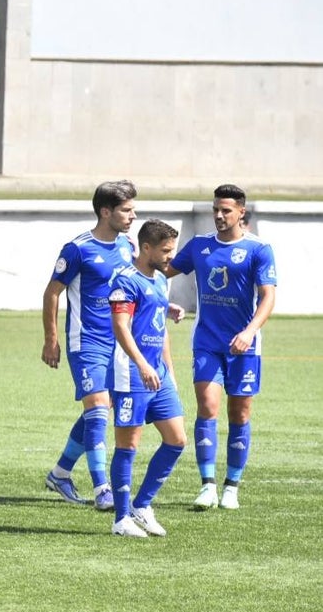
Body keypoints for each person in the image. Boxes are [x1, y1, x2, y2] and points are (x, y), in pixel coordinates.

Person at [166, 184, 277, 510]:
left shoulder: (259, 249)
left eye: (226, 210)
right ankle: (207, 486)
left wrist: (250, 331)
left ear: (241, 212)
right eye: (216, 209)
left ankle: (232, 486)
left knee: (239, 413)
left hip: (245, 346)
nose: (218, 215)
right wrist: (163, 302)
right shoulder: (199, 246)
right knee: (207, 406)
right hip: (207, 342)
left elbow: (268, 296)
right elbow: (161, 272)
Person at [41, 180, 137, 511]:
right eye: (127, 210)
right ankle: (103, 489)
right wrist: (51, 339)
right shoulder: (78, 249)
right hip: (86, 342)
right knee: (98, 410)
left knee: (98, 411)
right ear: (105, 211)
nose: (133, 216)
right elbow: (52, 292)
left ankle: (60, 474)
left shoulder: (128, 246)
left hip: (119, 343)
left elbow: (132, 287)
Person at [107, 220, 186, 538]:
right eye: (166, 251)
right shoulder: (125, 280)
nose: (171, 257)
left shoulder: (158, 281)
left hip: (159, 374)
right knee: (128, 445)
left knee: (177, 440)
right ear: (147, 248)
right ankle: (121, 519)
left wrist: (170, 372)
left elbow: (156, 325)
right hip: (132, 373)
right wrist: (141, 364)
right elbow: (121, 327)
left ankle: (142, 505)